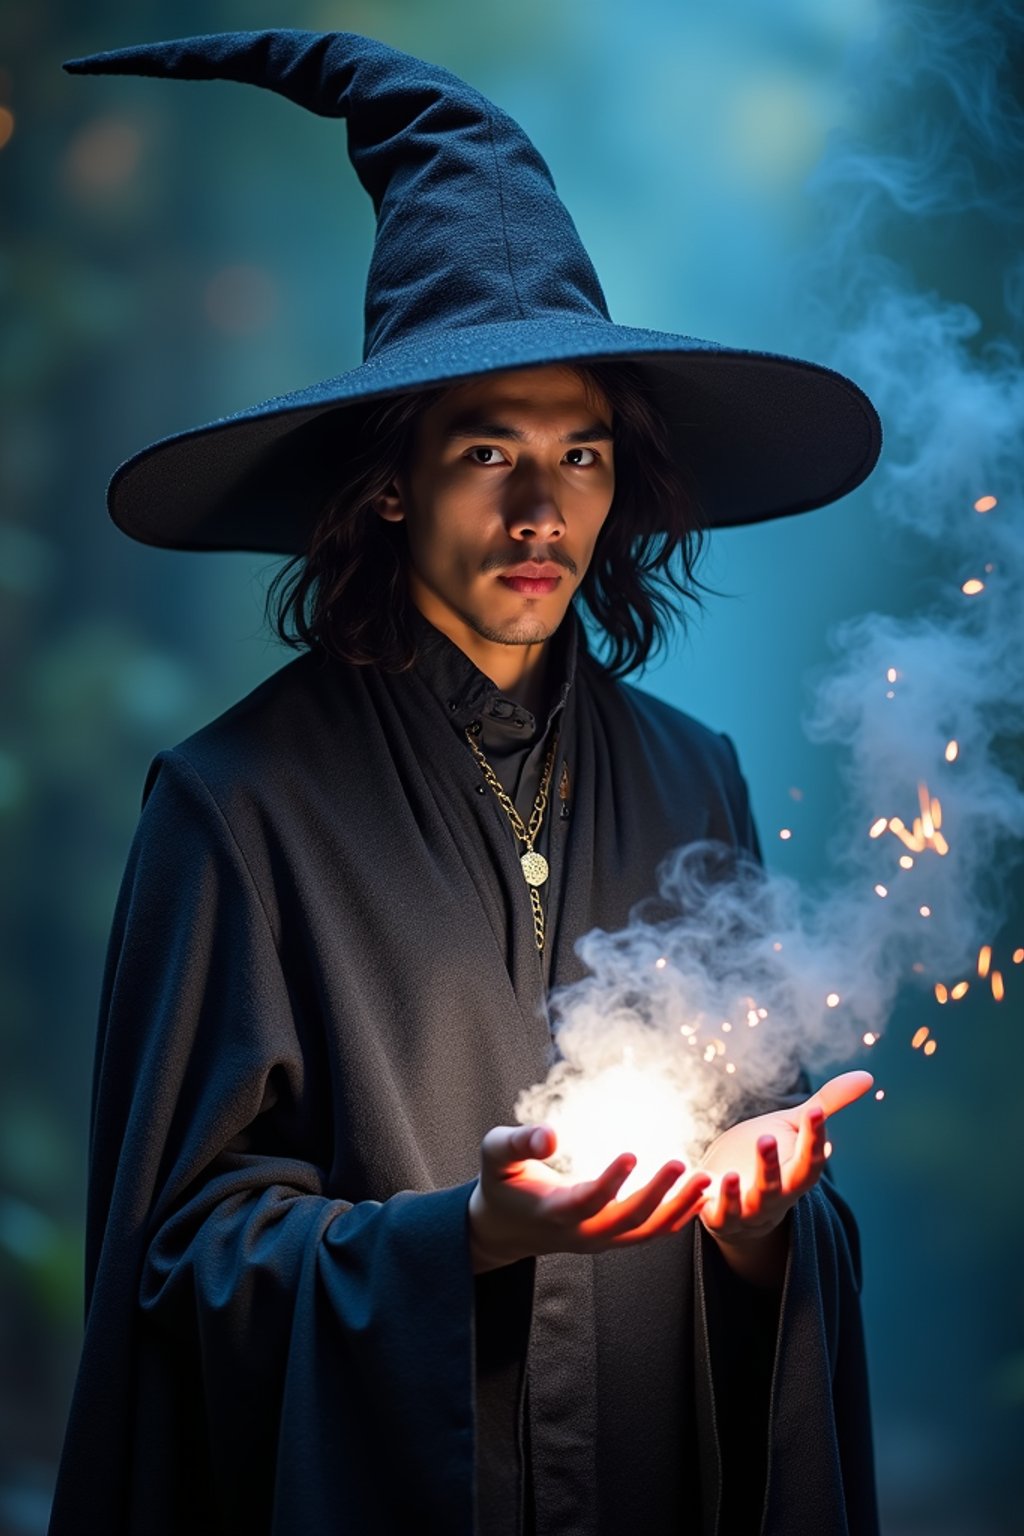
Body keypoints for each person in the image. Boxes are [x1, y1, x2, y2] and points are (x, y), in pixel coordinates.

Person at [51, 29, 883, 1536]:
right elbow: (182, 1268)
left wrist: (770, 1230)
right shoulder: (239, 803)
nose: (538, 510)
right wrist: (466, 1241)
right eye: (486, 449)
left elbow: (770, 1174)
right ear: (390, 477)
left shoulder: (698, 781)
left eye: (581, 455)